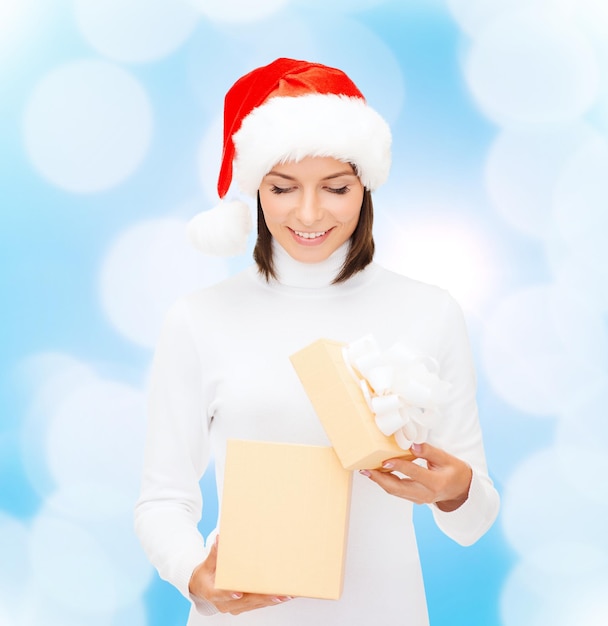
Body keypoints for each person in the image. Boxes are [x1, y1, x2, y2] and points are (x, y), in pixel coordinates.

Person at [134, 57, 500, 625]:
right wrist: (192, 572)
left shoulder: (429, 311)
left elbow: (471, 521)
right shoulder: (200, 318)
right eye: (282, 188)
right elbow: (163, 498)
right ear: (255, 190)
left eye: (335, 188)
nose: (308, 213)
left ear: (365, 186)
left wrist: (454, 491)